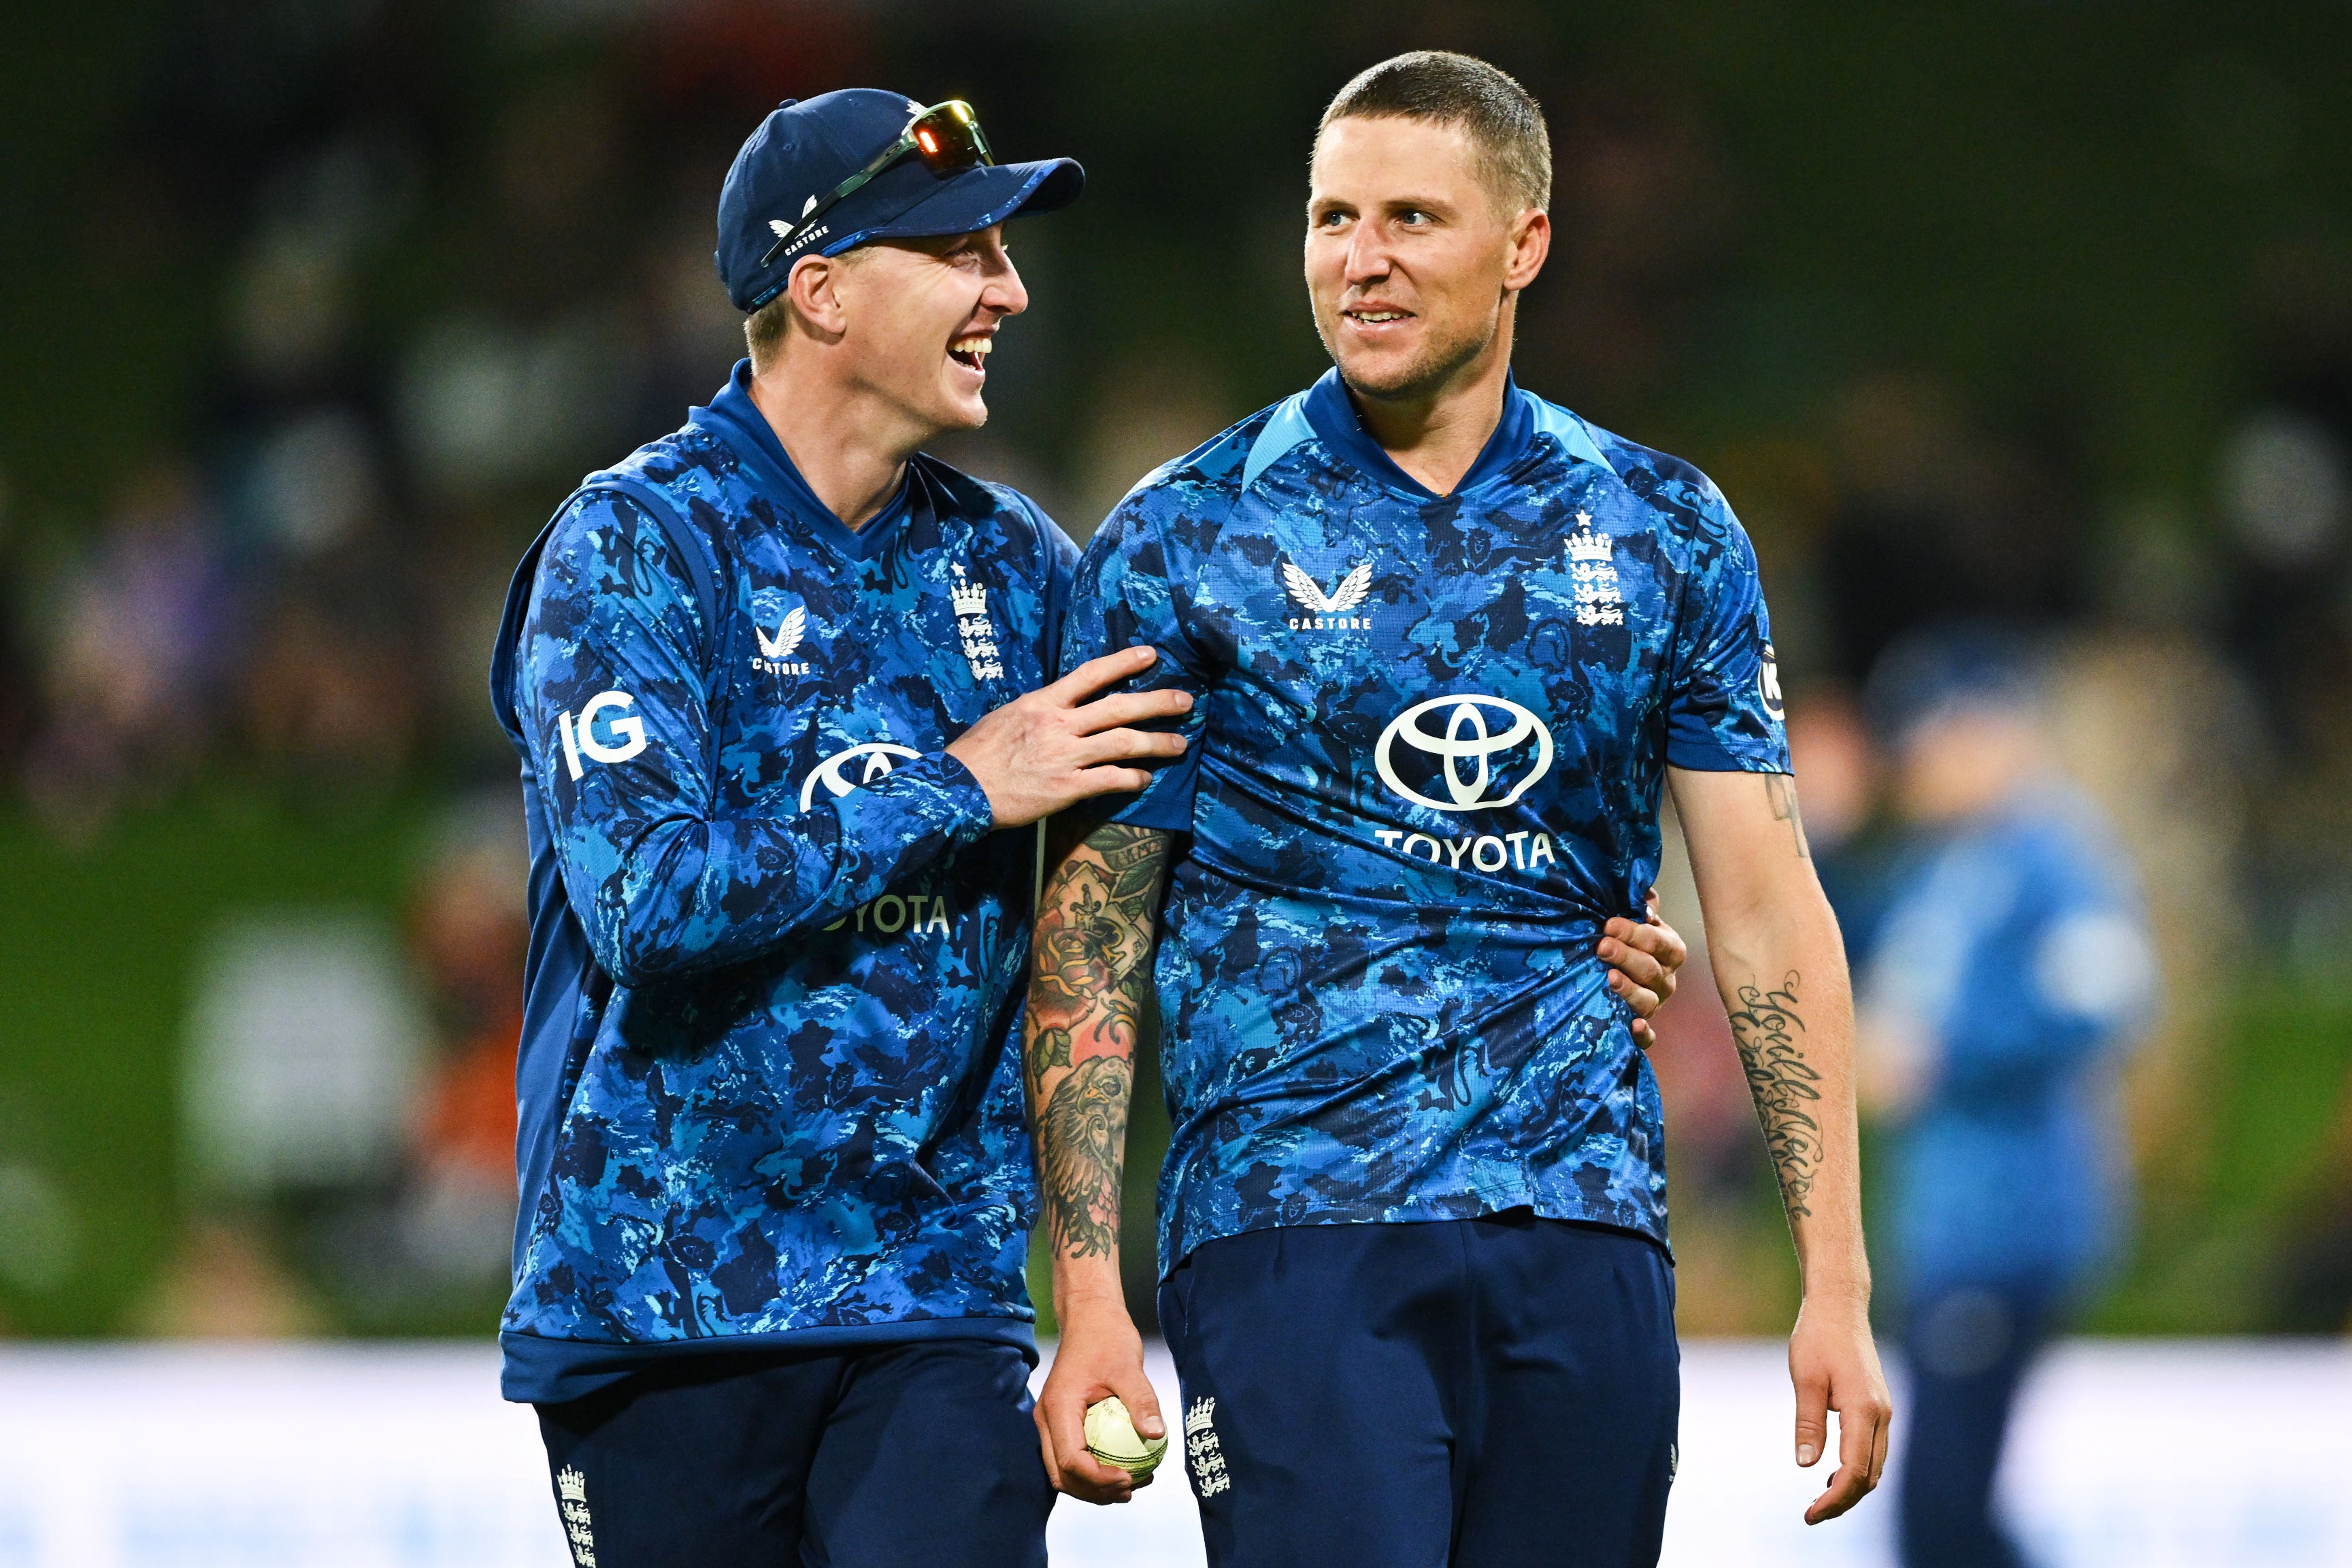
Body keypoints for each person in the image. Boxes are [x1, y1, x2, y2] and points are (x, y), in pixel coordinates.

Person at [486, 86, 1694, 1568]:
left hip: (938, 1307)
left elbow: (1179, 870)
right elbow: (646, 900)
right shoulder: (635, 546)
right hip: (664, 1305)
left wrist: (1540, 950)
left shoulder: (1019, 568)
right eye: (961, 254)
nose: (1009, 290)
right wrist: (958, 784)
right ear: (822, 291)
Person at [1029, 50, 1892, 1567]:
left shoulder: (1666, 528)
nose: (1359, 261)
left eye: (1412, 218)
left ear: (1524, 244)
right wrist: (1087, 1288)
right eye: (1330, 218)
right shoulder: (1183, 534)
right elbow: (1094, 927)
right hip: (1292, 1223)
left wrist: (1835, 1282)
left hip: (1584, 1221)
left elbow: (1763, 911)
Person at [1855, 627, 2155, 1568]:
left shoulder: (2050, 854)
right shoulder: (1940, 865)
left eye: (1932, 739)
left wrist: (1948, 1055)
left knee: (1940, 1507)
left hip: (2009, 1213)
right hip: (1946, 1219)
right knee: (1944, 1507)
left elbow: (2106, 999)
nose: (1914, 764)